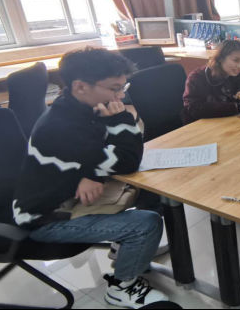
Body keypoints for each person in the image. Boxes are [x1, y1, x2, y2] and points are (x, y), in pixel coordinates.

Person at [12, 47, 168, 308]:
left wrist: (91, 172)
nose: (121, 95)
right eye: (115, 88)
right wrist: (120, 118)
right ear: (81, 86)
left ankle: (127, 248)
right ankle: (122, 287)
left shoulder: (83, 108)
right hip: (45, 218)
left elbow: (111, 153)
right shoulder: (63, 127)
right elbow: (128, 160)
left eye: (123, 87)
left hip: (68, 194)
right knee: (146, 223)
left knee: (153, 189)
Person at [182, 40, 240, 123]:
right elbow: (194, 108)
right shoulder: (197, 77)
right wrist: (238, 107)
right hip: (202, 127)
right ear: (221, 58)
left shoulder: (238, 74)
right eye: (236, 60)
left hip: (230, 122)